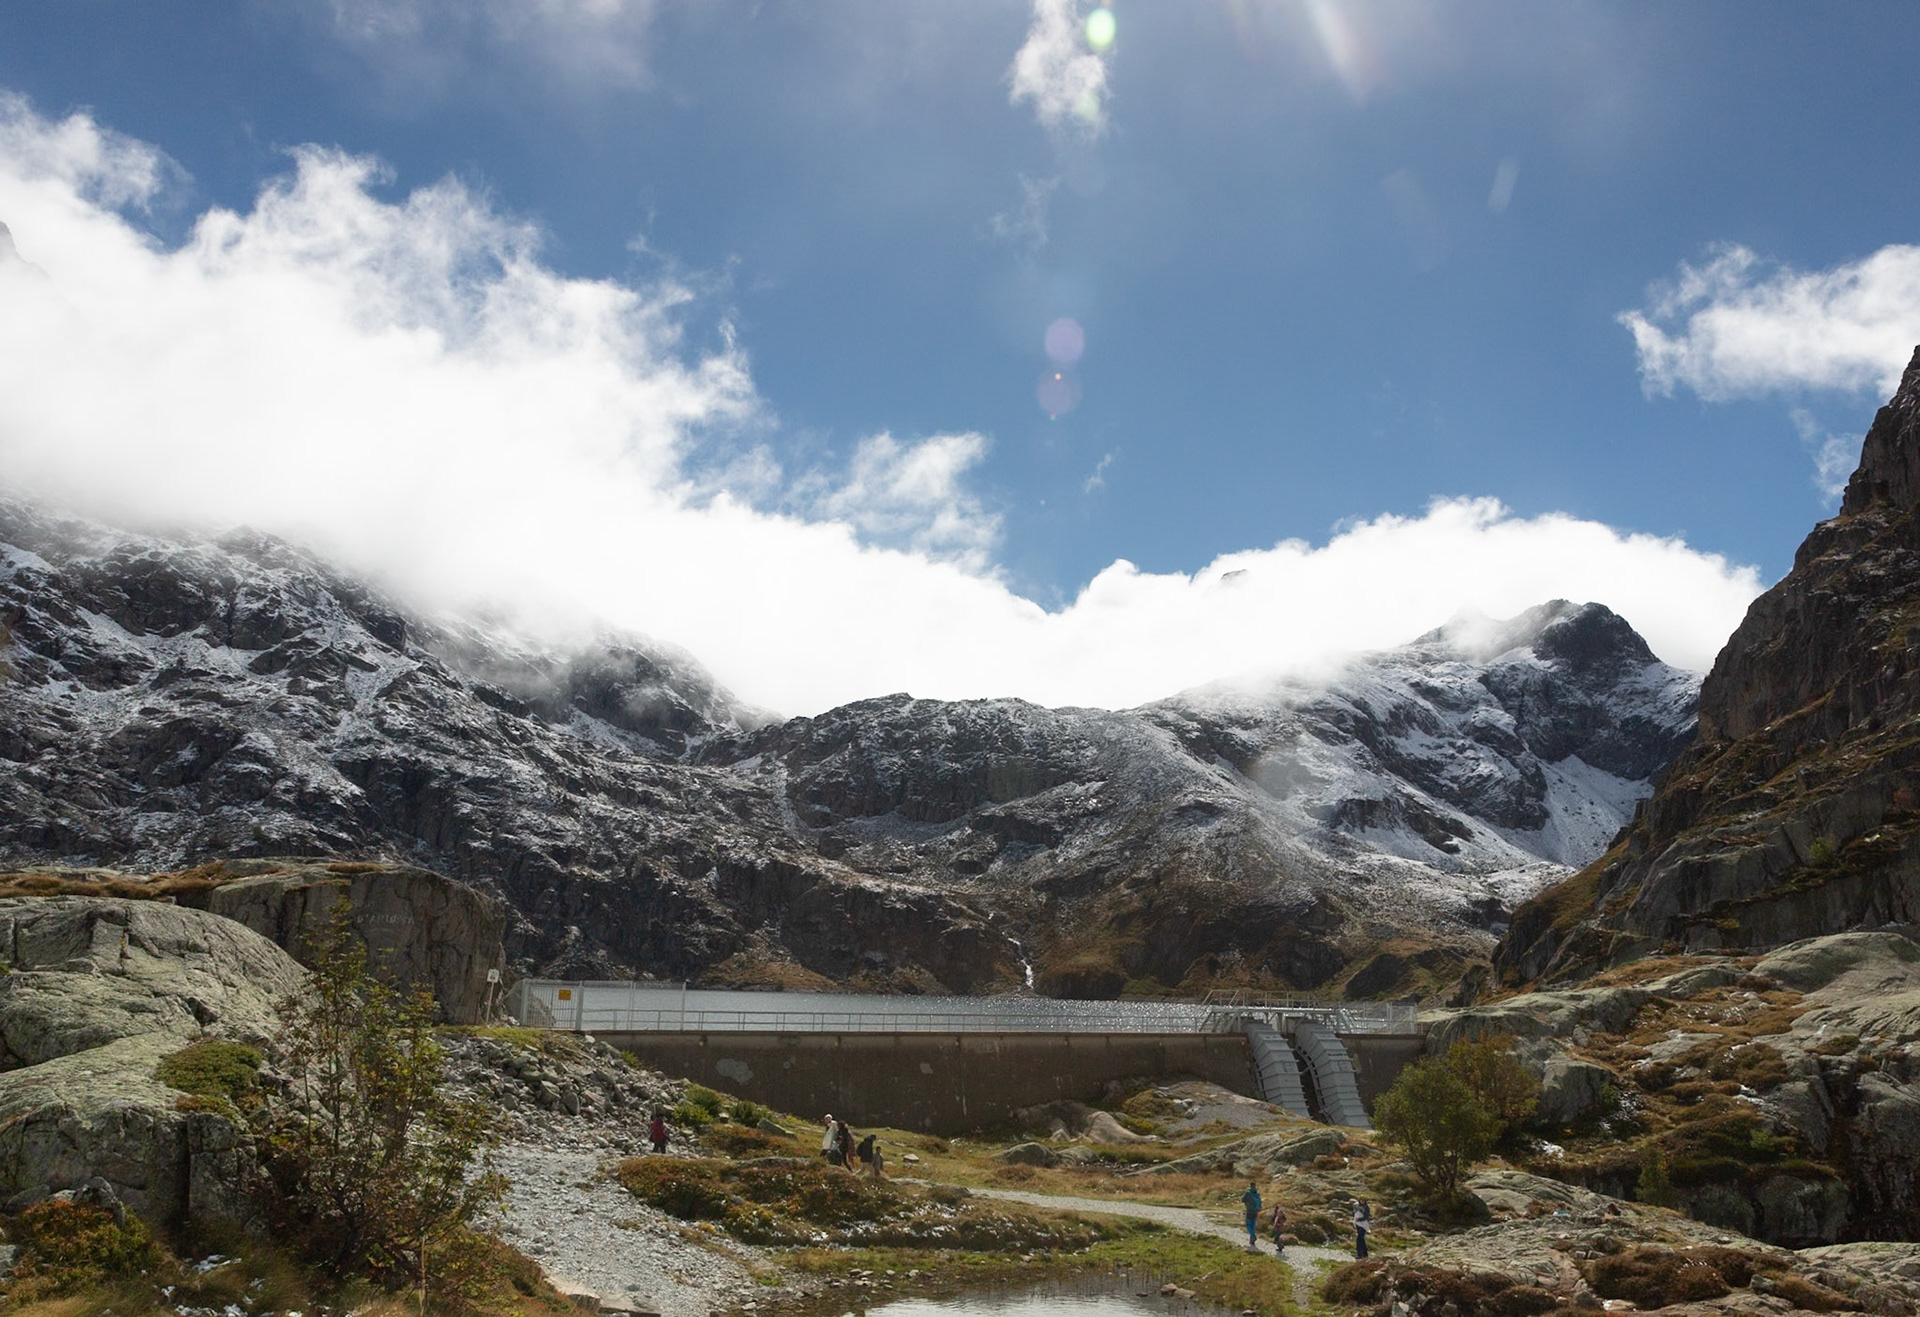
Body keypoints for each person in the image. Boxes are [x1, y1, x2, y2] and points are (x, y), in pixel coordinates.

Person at [1241, 1181, 1263, 1249]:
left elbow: (1242, 1200)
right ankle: (1252, 1241)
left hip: (1249, 1211)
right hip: (1255, 1211)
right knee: (1253, 1225)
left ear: (1250, 1186)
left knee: (1248, 1225)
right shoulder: (1257, 1193)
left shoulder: (1248, 1193)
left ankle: (1253, 1235)